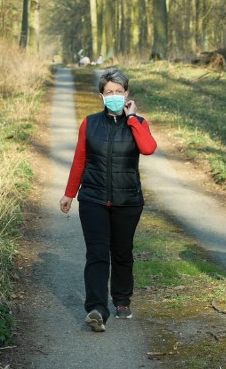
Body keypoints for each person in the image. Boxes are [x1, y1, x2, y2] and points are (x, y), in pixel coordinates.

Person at [59, 67, 157, 332]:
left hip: (128, 200)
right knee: (97, 254)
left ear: (127, 94)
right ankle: (96, 309)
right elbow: (80, 158)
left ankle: (122, 299)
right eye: (108, 92)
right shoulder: (90, 123)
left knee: (122, 252)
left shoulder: (138, 123)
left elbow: (148, 149)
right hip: (93, 199)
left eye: (118, 91)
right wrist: (70, 193)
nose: (113, 95)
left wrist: (133, 118)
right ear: (101, 96)